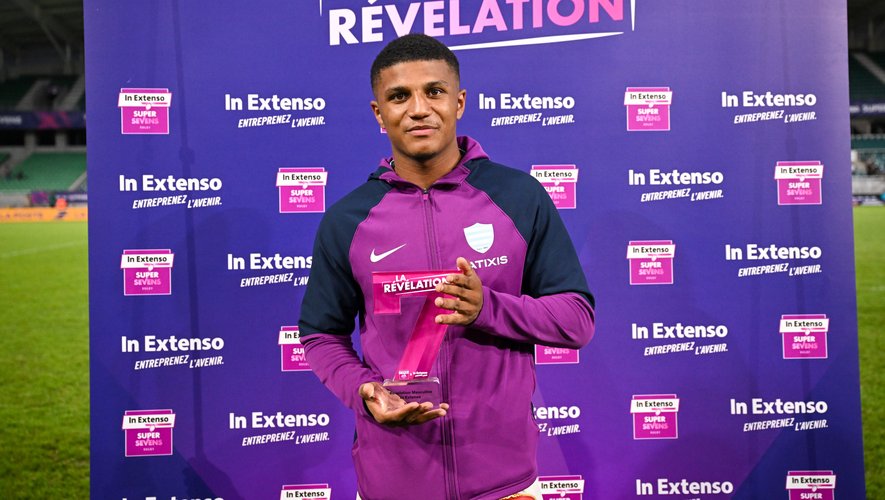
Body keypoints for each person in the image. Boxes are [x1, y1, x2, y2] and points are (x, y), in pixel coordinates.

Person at [299, 34, 595, 500]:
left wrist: (486, 308)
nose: (419, 109)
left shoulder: (519, 197)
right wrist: (366, 392)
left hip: (506, 484)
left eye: (434, 91)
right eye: (399, 96)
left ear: (458, 102)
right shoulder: (347, 220)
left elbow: (576, 320)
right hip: (391, 483)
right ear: (379, 113)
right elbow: (321, 336)